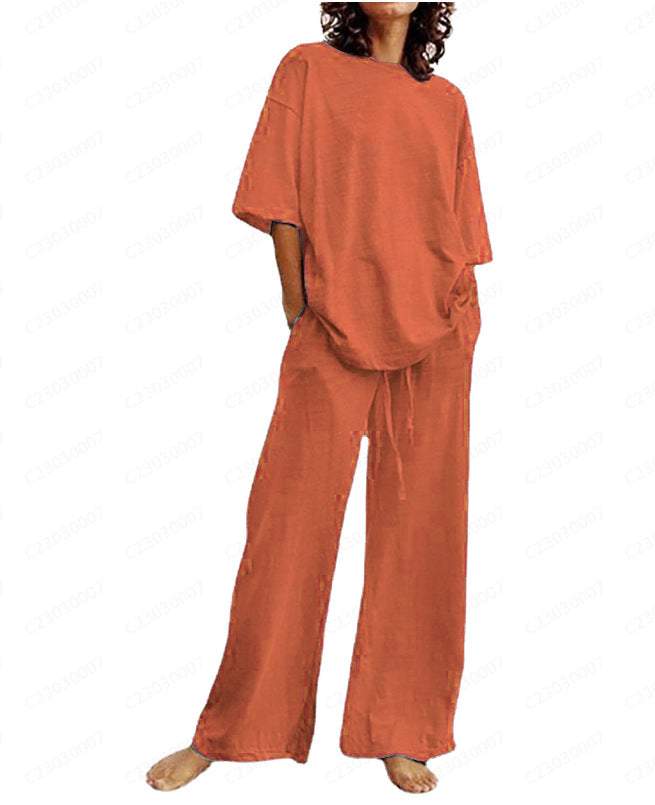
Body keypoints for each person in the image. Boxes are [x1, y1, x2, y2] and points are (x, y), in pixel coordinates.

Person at [146, 1, 492, 795]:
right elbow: (280, 198)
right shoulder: (306, 69)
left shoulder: (447, 103)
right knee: (286, 526)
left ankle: (401, 727)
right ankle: (233, 728)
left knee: (423, 531)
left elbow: (464, 230)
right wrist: (297, 306)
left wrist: (461, 320)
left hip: (438, 331)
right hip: (330, 324)